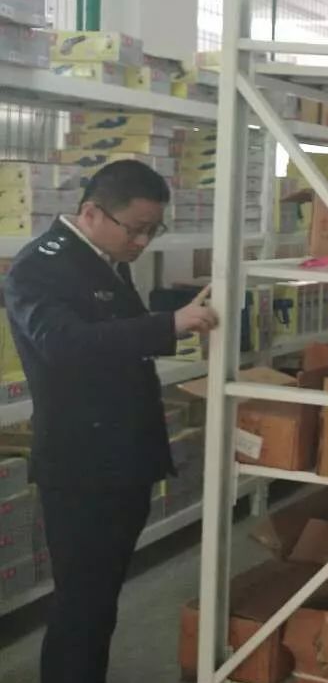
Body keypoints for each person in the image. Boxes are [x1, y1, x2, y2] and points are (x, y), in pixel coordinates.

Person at [3, 160, 219, 683]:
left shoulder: (103, 258)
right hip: (83, 465)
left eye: (153, 231)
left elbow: (116, 339)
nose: (143, 242)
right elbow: (64, 345)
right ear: (92, 212)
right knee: (82, 603)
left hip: (122, 457)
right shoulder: (39, 267)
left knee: (100, 598)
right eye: (136, 229)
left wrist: (173, 328)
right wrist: (165, 325)